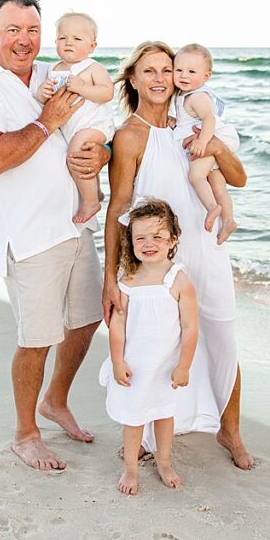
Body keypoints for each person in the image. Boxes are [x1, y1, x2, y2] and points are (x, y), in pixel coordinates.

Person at [0, 0, 111, 471]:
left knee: (85, 322)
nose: (25, 41)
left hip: (73, 225)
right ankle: (26, 434)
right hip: (30, 236)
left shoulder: (52, 72)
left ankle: (55, 401)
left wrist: (100, 155)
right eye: (13, 30)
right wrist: (47, 122)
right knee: (36, 340)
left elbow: (92, 119)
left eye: (32, 31)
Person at [103, 41, 255, 470]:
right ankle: (146, 434)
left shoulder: (193, 124)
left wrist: (214, 146)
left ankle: (230, 430)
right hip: (155, 263)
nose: (158, 79)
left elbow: (238, 179)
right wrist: (110, 277)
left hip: (206, 252)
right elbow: (117, 210)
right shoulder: (129, 136)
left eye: (166, 70)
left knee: (222, 338)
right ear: (132, 79)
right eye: (147, 71)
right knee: (153, 346)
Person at [101, 198, 198, 495]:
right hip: (134, 366)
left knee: (163, 415)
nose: (149, 243)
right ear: (131, 242)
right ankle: (130, 468)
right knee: (133, 420)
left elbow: (190, 326)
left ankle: (164, 462)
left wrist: (184, 366)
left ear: (172, 240)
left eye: (157, 236)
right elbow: (117, 326)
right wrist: (117, 361)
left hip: (165, 367)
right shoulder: (128, 279)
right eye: (140, 237)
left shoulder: (178, 280)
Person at [35, 12, 115, 224]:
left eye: (77, 39)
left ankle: (90, 202)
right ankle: (95, 191)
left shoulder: (92, 68)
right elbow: (48, 100)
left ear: (92, 46)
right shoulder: (53, 69)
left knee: (77, 153)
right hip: (70, 128)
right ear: (55, 42)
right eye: (63, 38)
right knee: (81, 152)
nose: (68, 42)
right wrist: (42, 93)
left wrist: (83, 87)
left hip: (93, 124)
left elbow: (107, 93)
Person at [172, 43, 240, 240]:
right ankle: (228, 221)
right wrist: (175, 121)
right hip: (216, 136)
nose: (184, 75)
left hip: (215, 136)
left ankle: (211, 208)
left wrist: (203, 142)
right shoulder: (184, 95)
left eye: (191, 71)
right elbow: (190, 120)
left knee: (196, 176)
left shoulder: (197, 96)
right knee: (217, 183)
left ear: (206, 77)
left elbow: (209, 119)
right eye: (179, 70)